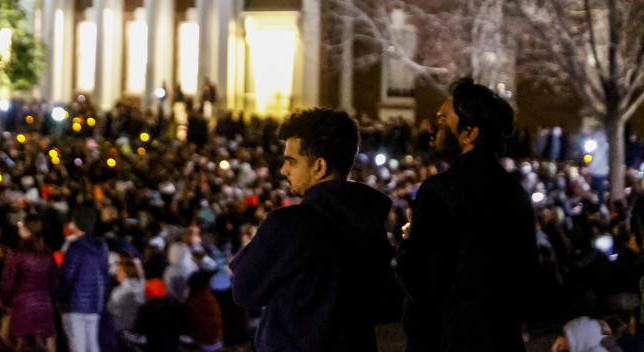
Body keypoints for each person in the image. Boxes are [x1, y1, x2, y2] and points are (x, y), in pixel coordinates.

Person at [230, 108, 392, 352]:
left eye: (291, 161)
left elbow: (244, 290)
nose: (284, 170)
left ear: (319, 166)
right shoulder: (372, 221)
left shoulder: (290, 224)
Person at [399, 78, 539, 352]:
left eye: (443, 120)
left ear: (469, 133)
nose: (434, 128)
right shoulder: (514, 192)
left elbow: (419, 279)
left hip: (449, 338)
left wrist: (409, 241)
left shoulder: (440, 191)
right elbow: (528, 275)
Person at [0, 216, 59, 352]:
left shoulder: (17, 254)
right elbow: (55, 282)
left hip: (23, 304)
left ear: (27, 230)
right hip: (44, 304)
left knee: (22, 343)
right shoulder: (48, 254)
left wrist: (4, 301)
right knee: (49, 339)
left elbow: (7, 283)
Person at [59, 206, 109, 352]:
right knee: (93, 344)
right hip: (95, 303)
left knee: (78, 345)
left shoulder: (75, 247)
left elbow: (67, 277)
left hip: (75, 304)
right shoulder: (101, 246)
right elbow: (104, 274)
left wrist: (61, 299)